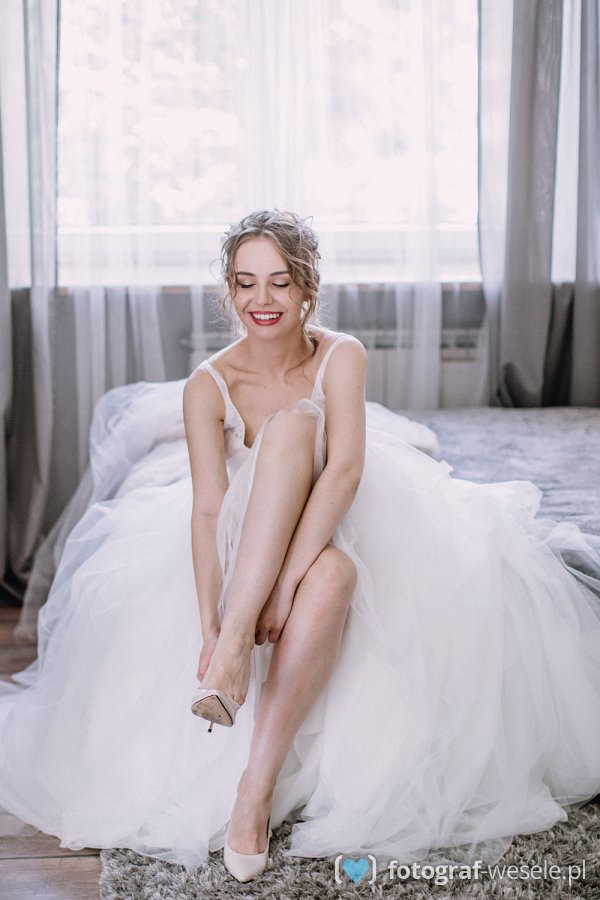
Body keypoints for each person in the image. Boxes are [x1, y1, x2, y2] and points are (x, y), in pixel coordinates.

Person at [0, 210, 600, 884]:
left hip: (334, 524)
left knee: (323, 532)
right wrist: (211, 623)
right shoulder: (208, 385)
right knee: (310, 505)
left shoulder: (341, 355)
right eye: (246, 283)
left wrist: (285, 586)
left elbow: (344, 473)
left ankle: (252, 790)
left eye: (280, 282)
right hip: (245, 546)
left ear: (308, 288)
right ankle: (232, 658)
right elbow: (207, 509)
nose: (262, 299)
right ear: (229, 291)